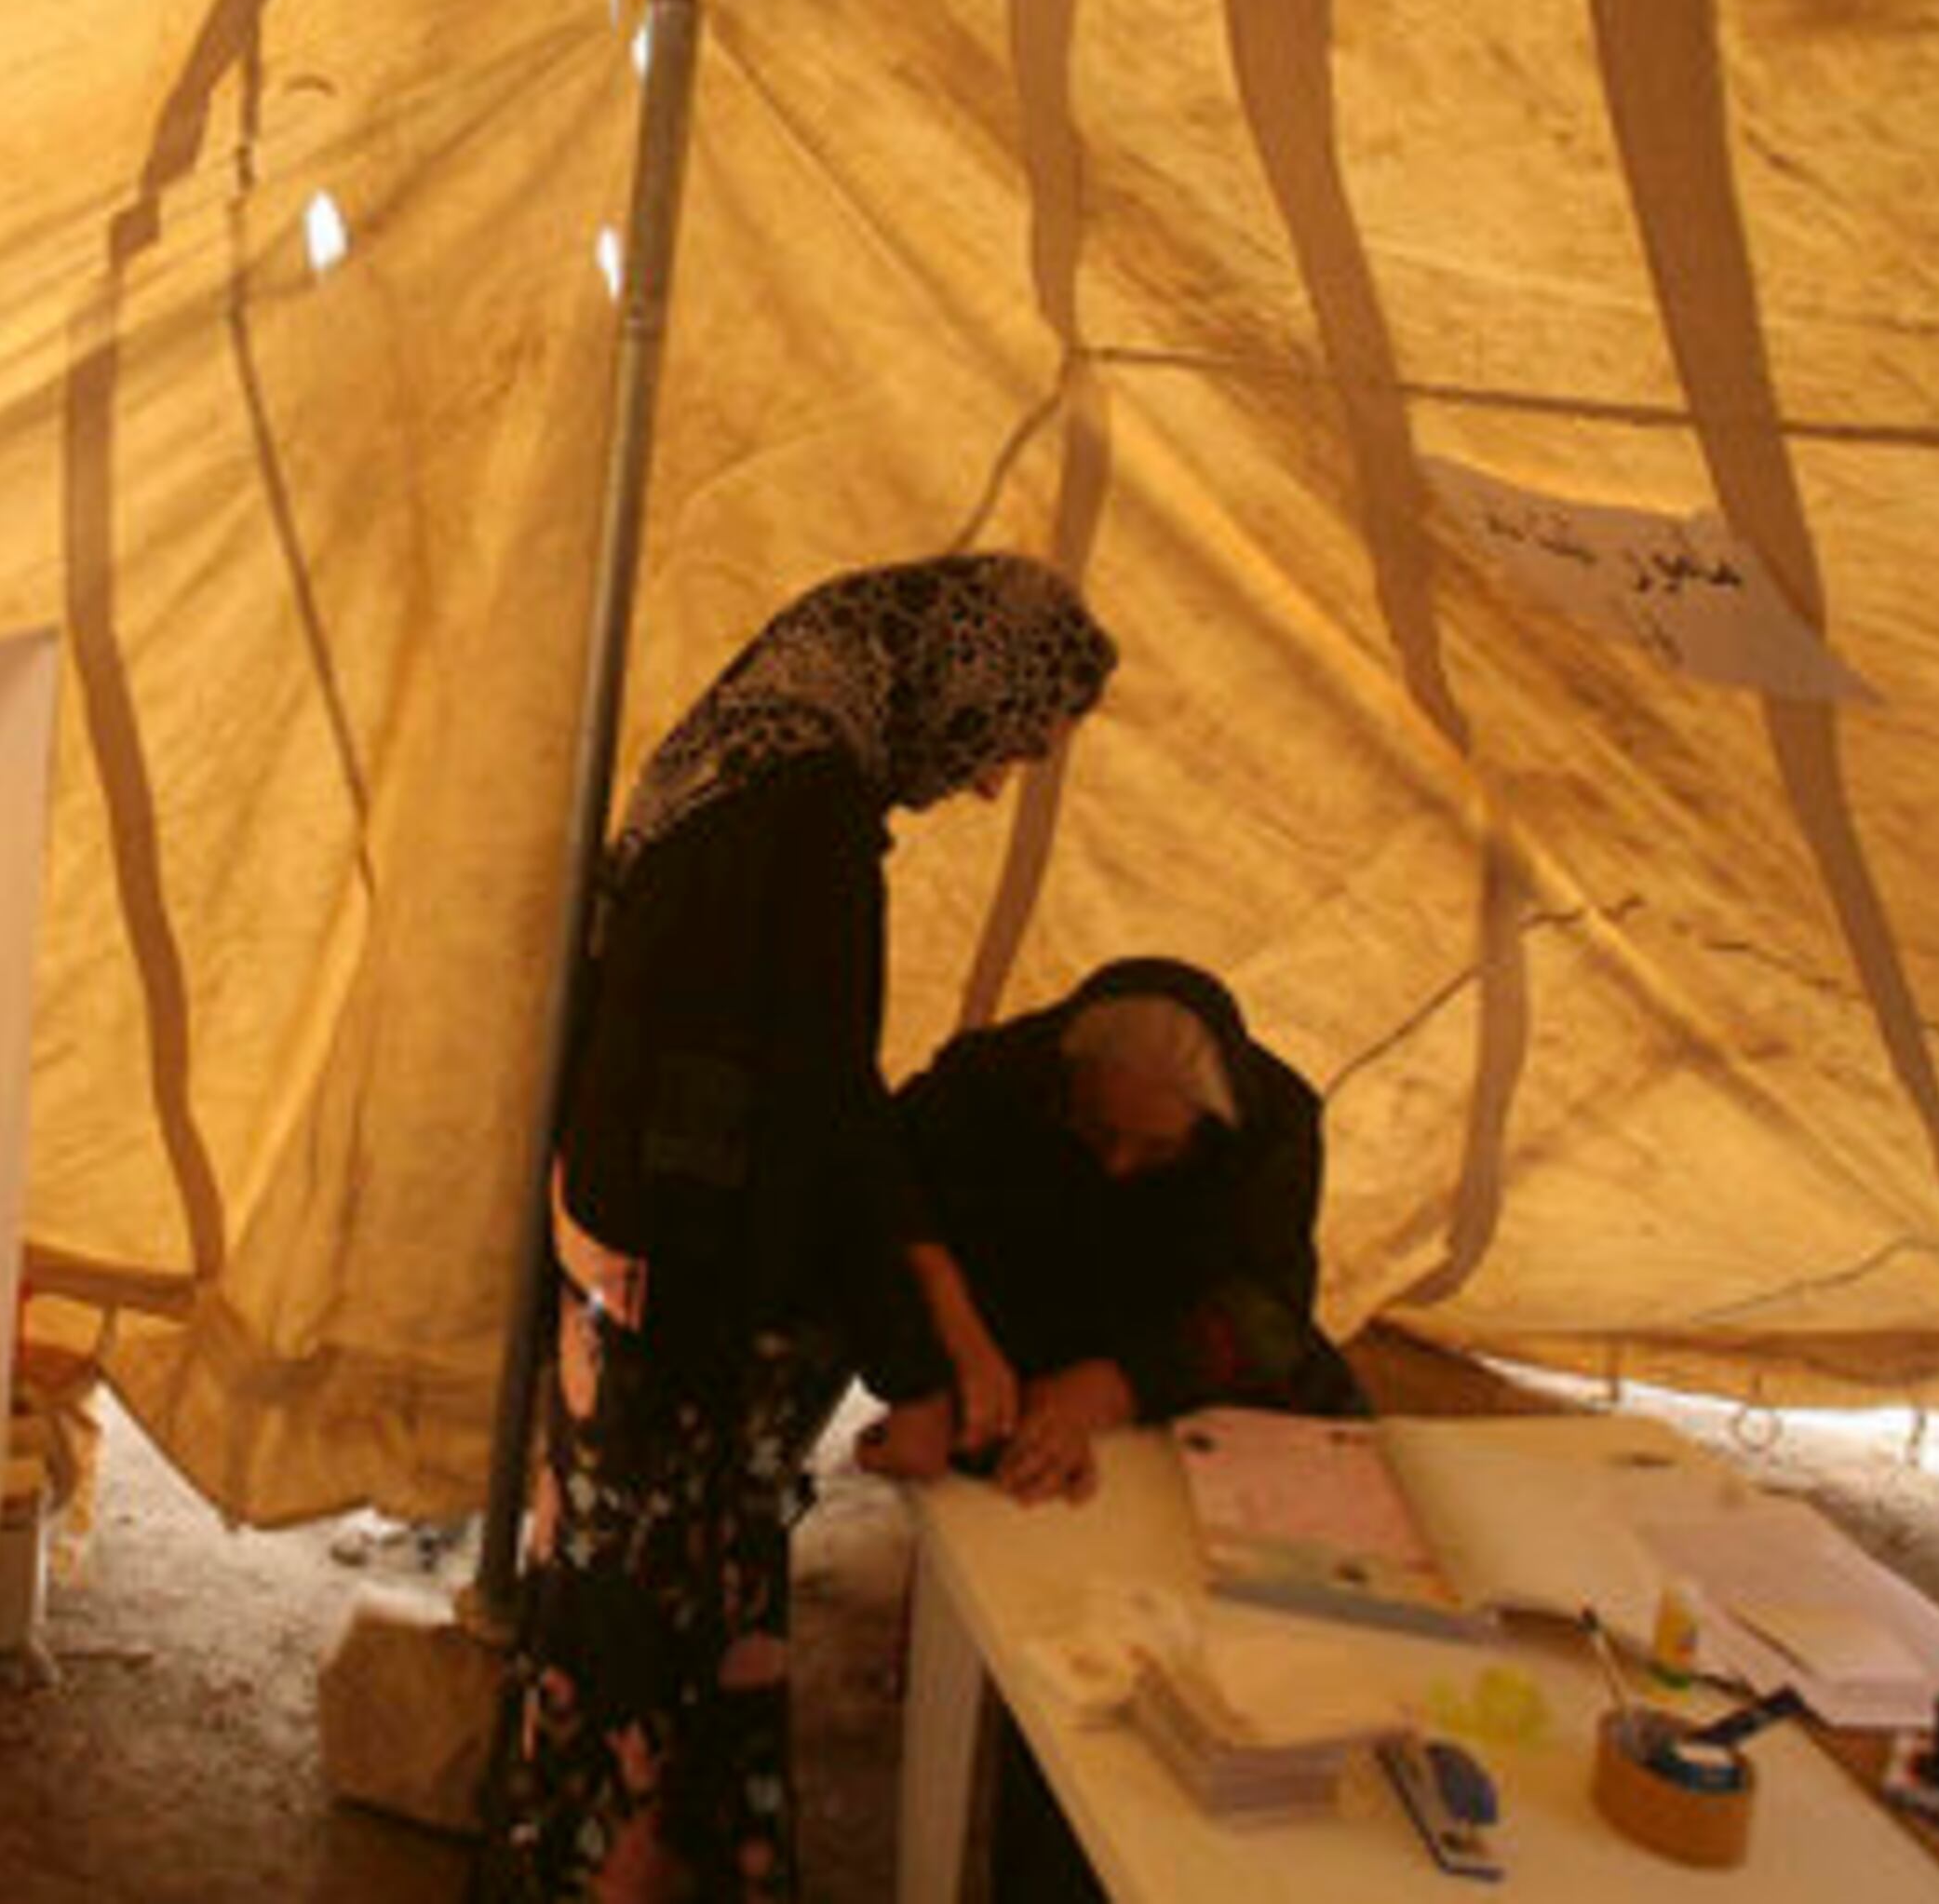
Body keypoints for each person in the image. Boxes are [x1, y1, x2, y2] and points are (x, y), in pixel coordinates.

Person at [481, 552, 1118, 1904]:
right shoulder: (810, 814)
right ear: (953, 677)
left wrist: (924, 1313)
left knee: (625, 1615)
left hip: (624, 1245)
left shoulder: (751, 744)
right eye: (1004, 740)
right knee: (656, 1637)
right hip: (676, 1273)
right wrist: (921, 1353)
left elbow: (796, 1082)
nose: (993, 778)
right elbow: (812, 1110)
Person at [890, 956, 1366, 1898]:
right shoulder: (987, 1082)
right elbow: (886, 1201)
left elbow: (1270, 1311)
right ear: (1065, 1081)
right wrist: (933, 1361)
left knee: (1259, 1649)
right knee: (1066, 1657)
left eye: (1154, 1151)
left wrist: (1107, 1387)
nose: (1116, 1164)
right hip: (1016, 1376)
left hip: (1196, 1398)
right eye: (1096, 1131)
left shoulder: (1275, 1124)